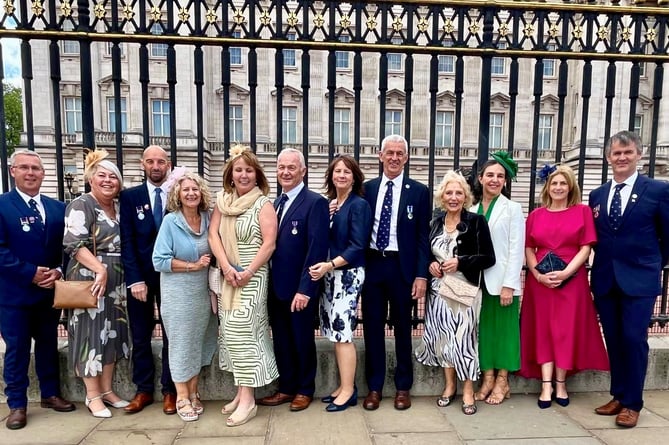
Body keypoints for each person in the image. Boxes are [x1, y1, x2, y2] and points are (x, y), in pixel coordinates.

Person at [589, 131, 669, 428]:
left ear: (639, 155)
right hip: (607, 279)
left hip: (640, 279)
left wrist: (653, 263)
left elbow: (667, 235)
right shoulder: (597, 195)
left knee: (634, 340)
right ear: (608, 157)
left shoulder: (657, 190)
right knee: (615, 339)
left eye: (628, 152)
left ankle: (633, 403)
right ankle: (619, 395)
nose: (622, 158)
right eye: (616, 153)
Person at [519, 164, 609, 409]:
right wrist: (537, 275)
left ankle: (561, 383)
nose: (558, 187)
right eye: (554, 183)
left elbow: (586, 247)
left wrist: (568, 272)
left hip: (571, 282)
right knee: (544, 331)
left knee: (565, 332)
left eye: (563, 183)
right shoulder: (536, 215)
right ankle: (546, 384)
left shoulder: (582, 211)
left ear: (571, 187)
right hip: (541, 283)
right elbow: (528, 248)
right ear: (548, 186)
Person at [0, 150, 75, 430]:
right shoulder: (2, 205)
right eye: (24, 168)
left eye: (36, 168)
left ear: (43, 173)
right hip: (14, 294)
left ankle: (50, 394)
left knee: (48, 345)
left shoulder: (57, 208)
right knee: (17, 349)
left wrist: (57, 269)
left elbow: (68, 247)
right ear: (13, 171)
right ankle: (17, 404)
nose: (31, 173)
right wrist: (30, 273)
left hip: (49, 291)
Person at [209, 147, 279, 426]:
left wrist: (248, 271)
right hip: (228, 276)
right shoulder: (222, 202)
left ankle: (249, 401)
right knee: (230, 335)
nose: (244, 174)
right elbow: (213, 234)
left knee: (245, 335)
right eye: (239, 169)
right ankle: (241, 392)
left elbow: (269, 243)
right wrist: (226, 267)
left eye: (249, 170)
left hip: (253, 276)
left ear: (257, 175)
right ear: (230, 174)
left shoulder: (263, 204)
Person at [415, 171, 495, 415]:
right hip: (438, 290)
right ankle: (449, 387)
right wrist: (430, 263)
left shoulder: (475, 221)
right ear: (442, 196)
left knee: (463, 339)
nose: (453, 197)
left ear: (465, 196)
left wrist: (461, 261)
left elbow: (488, 258)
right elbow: (427, 252)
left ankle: (468, 390)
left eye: (458, 193)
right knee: (443, 340)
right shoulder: (435, 223)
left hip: (463, 288)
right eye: (449, 192)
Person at [362, 134, 430, 411]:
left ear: (406, 157)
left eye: (399, 153)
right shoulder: (366, 189)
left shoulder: (419, 191)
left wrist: (421, 275)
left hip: (402, 268)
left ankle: (403, 387)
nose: (394, 157)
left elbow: (422, 237)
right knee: (372, 329)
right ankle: (375, 387)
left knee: (403, 329)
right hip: (373, 266)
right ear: (380, 156)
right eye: (389, 152)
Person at [257, 148, 329, 412]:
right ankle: (286, 388)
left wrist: (306, 289)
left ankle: (305, 389)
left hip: (299, 289)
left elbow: (316, 249)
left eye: (291, 167)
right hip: (275, 287)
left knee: (301, 340)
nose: (285, 172)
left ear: (303, 171)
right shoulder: (275, 203)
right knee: (282, 341)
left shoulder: (315, 202)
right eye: (281, 167)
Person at [63, 149, 130, 418]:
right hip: (89, 277)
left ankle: (107, 390)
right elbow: (72, 243)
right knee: (90, 334)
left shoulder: (119, 207)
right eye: (101, 175)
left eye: (113, 177)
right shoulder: (82, 204)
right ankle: (92, 396)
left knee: (113, 333)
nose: (107, 180)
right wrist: (99, 269)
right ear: (91, 179)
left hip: (117, 278)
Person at [152, 170, 218, 422]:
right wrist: (192, 265)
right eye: (186, 189)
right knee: (181, 345)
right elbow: (158, 260)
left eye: (195, 189)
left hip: (203, 293)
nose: (191, 193)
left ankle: (193, 392)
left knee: (199, 343)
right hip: (178, 294)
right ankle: (181, 396)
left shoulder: (208, 217)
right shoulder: (171, 221)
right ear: (178, 195)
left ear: (201, 193)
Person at [308, 155, 372, 412]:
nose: (342, 175)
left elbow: (358, 246)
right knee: (335, 334)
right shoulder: (333, 204)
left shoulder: (359, 205)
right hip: (330, 275)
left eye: (347, 171)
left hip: (346, 275)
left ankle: (349, 391)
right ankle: (343, 386)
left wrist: (330, 265)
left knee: (344, 334)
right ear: (331, 176)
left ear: (354, 177)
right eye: (337, 171)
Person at [120, 145, 177, 414]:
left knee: (171, 336)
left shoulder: (178, 193)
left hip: (173, 278)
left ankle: (170, 390)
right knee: (140, 336)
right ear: (142, 164)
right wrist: (134, 280)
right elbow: (127, 242)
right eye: (151, 161)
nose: (156, 166)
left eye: (161, 161)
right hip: (141, 278)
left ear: (169, 165)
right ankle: (143, 390)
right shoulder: (130, 197)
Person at [470, 152, 525, 405]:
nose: (494, 180)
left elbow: (516, 249)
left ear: (505, 181)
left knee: (505, 332)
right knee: (483, 332)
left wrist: (509, 285)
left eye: (500, 176)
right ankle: (488, 377)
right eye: (490, 175)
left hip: (502, 282)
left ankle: (503, 380)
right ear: (480, 178)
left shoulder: (512, 209)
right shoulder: (470, 209)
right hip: (476, 283)